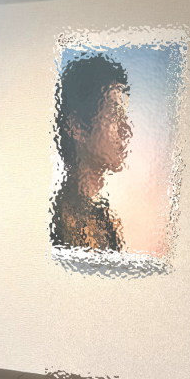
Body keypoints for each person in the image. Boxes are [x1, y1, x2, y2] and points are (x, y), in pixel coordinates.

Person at [50, 52, 133, 252]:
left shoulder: (102, 218)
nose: (127, 130)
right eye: (114, 115)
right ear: (77, 126)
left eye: (125, 116)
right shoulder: (62, 220)